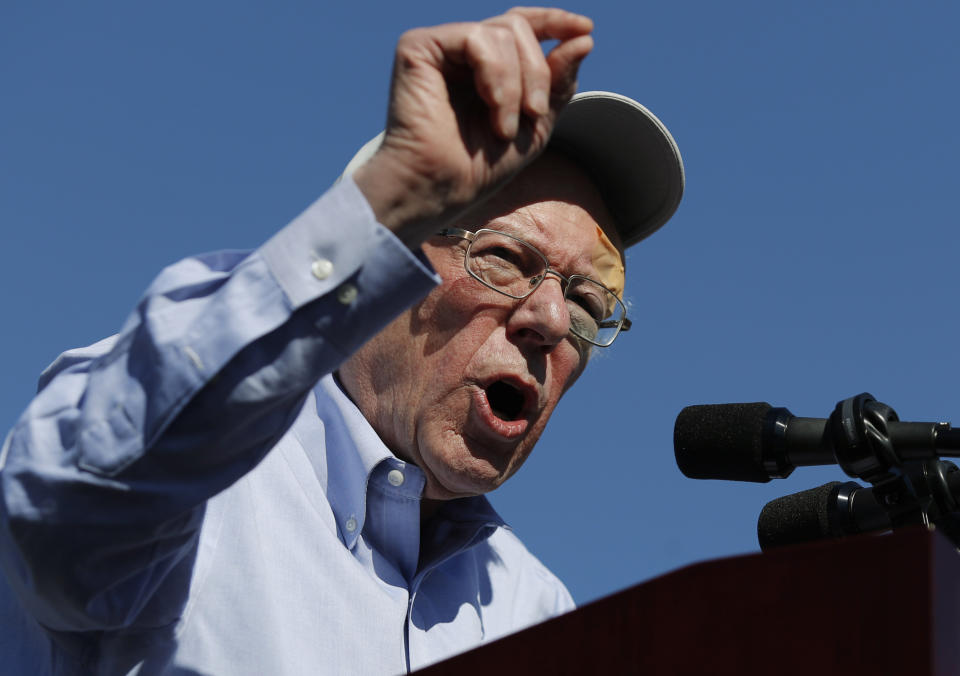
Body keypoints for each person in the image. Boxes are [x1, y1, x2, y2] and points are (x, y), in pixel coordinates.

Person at [0, 7, 683, 675]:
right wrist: (390, 196)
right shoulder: (193, 486)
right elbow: (71, 504)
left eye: (589, 301)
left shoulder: (537, 613)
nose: (553, 321)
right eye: (506, 259)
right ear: (386, 266)